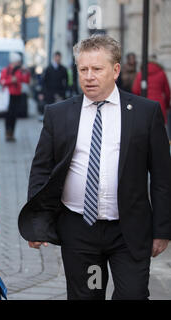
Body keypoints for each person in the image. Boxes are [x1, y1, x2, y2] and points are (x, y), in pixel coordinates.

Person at [18, 34, 171, 300]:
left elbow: (162, 177)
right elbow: (42, 169)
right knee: (88, 295)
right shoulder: (59, 114)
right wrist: (37, 222)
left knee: (133, 295)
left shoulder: (145, 113)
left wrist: (162, 230)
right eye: (83, 69)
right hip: (80, 230)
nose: (89, 76)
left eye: (97, 69)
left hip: (129, 230)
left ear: (115, 70)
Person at [0, 52, 30, 141]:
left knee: (15, 114)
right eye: (18, 62)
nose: (19, 63)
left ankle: (12, 133)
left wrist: (27, 72)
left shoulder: (19, 71)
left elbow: (26, 81)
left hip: (17, 95)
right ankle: (7, 132)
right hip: (8, 96)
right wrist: (11, 80)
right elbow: (2, 81)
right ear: (14, 62)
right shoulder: (6, 70)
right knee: (8, 114)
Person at [132, 56, 170, 127]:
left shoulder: (141, 74)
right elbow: (167, 92)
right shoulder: (161, 73)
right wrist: (167, 105)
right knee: (160, 129)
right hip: (159, 104)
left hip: (144, 104)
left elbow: (135, 90)